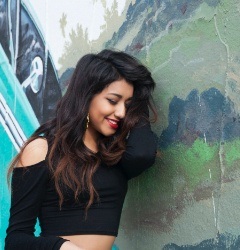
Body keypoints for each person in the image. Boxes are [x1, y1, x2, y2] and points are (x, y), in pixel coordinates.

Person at [5, 49, 157, 250]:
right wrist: (63, 247)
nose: (121, 113)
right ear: (86, 96)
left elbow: (143, 154)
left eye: (127, 105)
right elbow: (15, 242)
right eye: (113, 100)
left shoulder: (115, 155)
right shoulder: (43, 150)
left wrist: (139, 99)